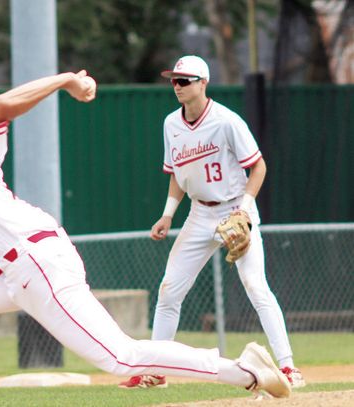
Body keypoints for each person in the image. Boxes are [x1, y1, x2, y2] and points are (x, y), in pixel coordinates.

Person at [0, 71, 291, 407]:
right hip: (7, 271)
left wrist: (66, 80)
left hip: (38, 262)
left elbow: (0, 106)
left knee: (122, 357)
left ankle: (242, 371)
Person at [118, 56, 305, 390]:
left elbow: (258, 167)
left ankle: (289, 368)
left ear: (203, 82)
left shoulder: (226, 121)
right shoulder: (170, 124)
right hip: (199, 214)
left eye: (184, 81)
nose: (177, 86)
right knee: (169, 290)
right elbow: (176, 174)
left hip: (234, 209)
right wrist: (167, 214)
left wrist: (245, 210)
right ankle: (156, 370)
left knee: (255, 286)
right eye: (174, 81)